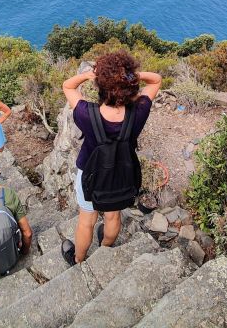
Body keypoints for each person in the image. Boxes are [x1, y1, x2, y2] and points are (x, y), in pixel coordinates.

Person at [60, 52, 161, 265]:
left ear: (101, 86)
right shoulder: (139, 111)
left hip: (90, 172)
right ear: (130, 86)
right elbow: (156, 80)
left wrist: (89, 75)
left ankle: (78, 259)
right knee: (113, 216)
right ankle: (105, 248)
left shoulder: (86, 114)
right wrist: (130, 76)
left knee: (86, 221)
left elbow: (68, 86)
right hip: (121, 174)